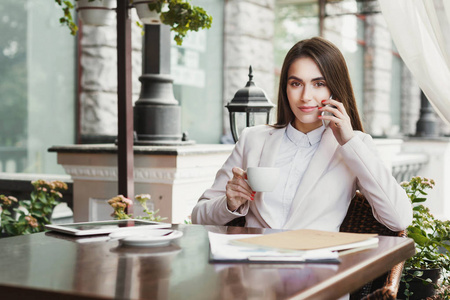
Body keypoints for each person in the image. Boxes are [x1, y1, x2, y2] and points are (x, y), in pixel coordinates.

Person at [192, 37, 412, 232]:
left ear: (334, 89)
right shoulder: (253, 139)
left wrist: (348, 141)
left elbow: (399, 219)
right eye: (296, 83)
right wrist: (229, 204)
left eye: (319, 84)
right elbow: (198, 215)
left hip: (316, 270)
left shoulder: (354, 146)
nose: (306, 96)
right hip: (253, 267)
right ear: (285, 89)